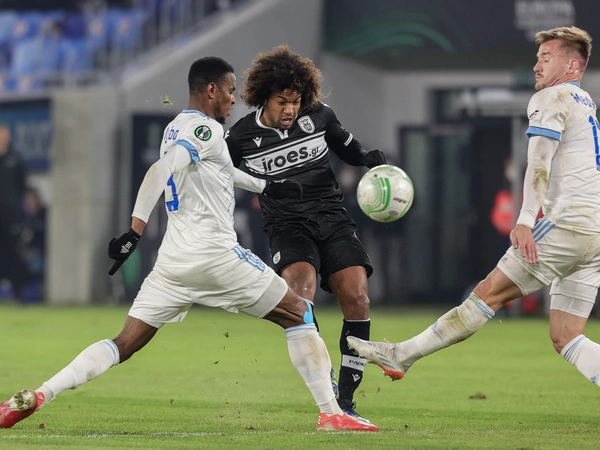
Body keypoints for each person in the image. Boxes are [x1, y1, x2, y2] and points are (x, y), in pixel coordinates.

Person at [0, 57, 377, 432]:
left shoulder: (176, 127)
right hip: (216, 255)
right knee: (300, 314)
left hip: (172, 266)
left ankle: (40, 394)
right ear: (212, 90)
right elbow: (159, 170)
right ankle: (332, 413)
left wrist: (267, 186)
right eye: (230, 91)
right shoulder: (207, 130)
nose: (234, 99)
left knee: (124, 342)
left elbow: (220, 170)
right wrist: (134, 230)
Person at [347, 26, 600, 390]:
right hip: (594, 233)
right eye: (537, 58)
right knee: (567, 335)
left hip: (568, 224)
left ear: (572, 65)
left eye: (546, 58)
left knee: (487, 294)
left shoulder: (551, 98)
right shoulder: (584, 102)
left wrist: (525, 220)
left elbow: (538, 164)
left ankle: (401, 355)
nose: (536, 66)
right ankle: (401, 355)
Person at [225, 45, 387, 424]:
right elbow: (218, 172)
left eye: (296, 102)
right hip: (287, 226)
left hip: (332, 218)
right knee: (301, 296)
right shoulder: (241, 136)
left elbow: (349, 148)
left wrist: (367, 158)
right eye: (282, 102)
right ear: (264, 97)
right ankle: (322, 383)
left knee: (358, 298)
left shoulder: (320, 116)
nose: (290, 110)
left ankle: (346, 401)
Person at [0, 123, 27, 302]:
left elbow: (22, 187)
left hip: (10, 216)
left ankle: (17, 294)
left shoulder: (16, 158)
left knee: (14, 254)